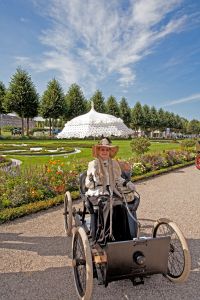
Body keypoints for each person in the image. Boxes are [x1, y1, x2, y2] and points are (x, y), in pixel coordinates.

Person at [85, 137, 140, 241]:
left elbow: (118, 178)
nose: (105, 152)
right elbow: (87, 183)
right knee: (109, 205)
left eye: (107, 149)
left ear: (110, 151)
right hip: (97, 193)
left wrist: (127, 183)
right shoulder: (93, 164)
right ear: (98, 151)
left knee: (120, 205)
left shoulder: (114, 163)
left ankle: (122, 237)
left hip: (111, 192)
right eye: (102, 149)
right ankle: (105, 236)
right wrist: (92, 180)